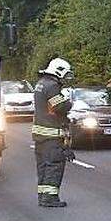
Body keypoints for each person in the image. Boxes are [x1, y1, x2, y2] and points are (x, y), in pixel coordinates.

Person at [33, 57, 74, 207]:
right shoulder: (52, 86)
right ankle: (50, 198)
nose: (66, 78)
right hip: (51, 135)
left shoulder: (41, 84)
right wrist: (69, 102)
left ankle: (43, 196)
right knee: (54, 165)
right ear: (60, 71)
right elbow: (59, 107)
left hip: (40, 135)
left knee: (43, 166)